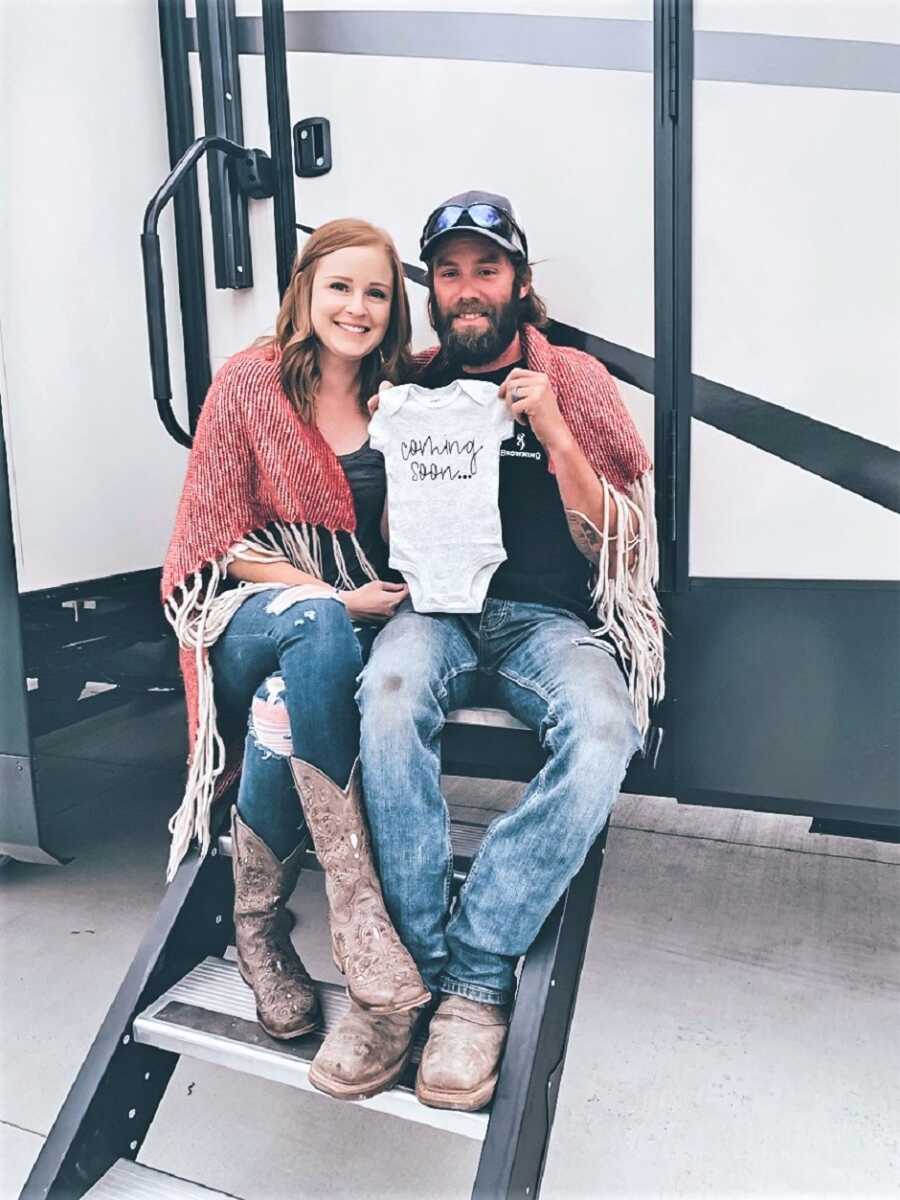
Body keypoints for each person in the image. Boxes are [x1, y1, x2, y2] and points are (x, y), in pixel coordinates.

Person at [356, 191, 666, 1111]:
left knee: (607, 726)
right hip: (436, 612)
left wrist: (555, 429)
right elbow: (381, 521)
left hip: (541, 619)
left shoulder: (569, 377)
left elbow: (620, 543)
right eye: (447, 272)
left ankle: (479, 974)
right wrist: (389, 448)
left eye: (484, 269)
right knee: (386, 695)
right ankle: (411, 967)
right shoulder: (408, 383)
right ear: (432, 288)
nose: (465, 288)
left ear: (519, 283)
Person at [161, 218, 430, 1101]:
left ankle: (259, 931)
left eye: (377, 292)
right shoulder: (249, 382)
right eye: (341, 287)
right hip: (246, 609)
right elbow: (218, 539)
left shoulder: (403, 390)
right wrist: (335, 597)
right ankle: (357, 908)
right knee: (310, 626)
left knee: (286, 703)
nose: (357, 307)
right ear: (306, 291)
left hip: (332, 631)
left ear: (394, 310)